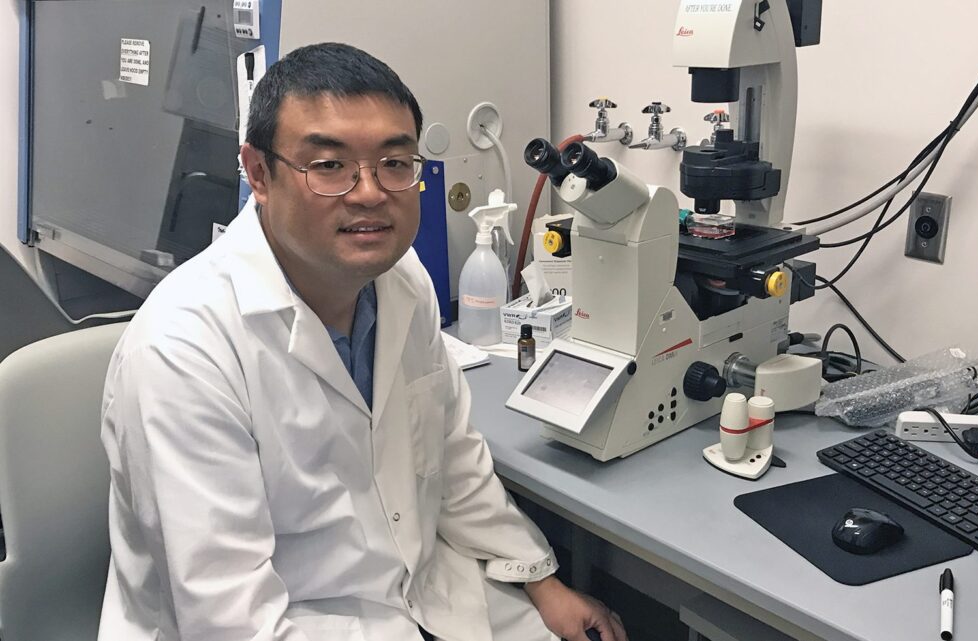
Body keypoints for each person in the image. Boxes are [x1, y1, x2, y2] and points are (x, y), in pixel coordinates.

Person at [98, 42, 627, 641]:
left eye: (395, 163)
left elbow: (451, 458)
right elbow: (230, 621)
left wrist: (541, 583)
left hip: (421, 597)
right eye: (329, 166)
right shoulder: (183, 352)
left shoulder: (401, 283)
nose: (370, 192)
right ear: (258, 173)